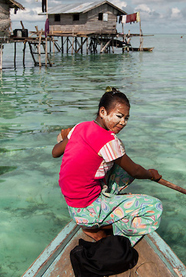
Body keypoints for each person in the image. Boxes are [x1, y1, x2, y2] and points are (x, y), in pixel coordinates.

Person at [52, 88, 163, 245]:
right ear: (102, 112)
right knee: (155, 207)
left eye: (126, 118)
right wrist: (151, 174)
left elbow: (55, 152)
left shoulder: (79, 127)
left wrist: (65, 138)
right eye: (119, 116)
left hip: (73, 206)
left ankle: (102, 210)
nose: (123, 122)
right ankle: (105, 228)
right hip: (87, 211)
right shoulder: (109, 141)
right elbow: (136, 171)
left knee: (119, 166)